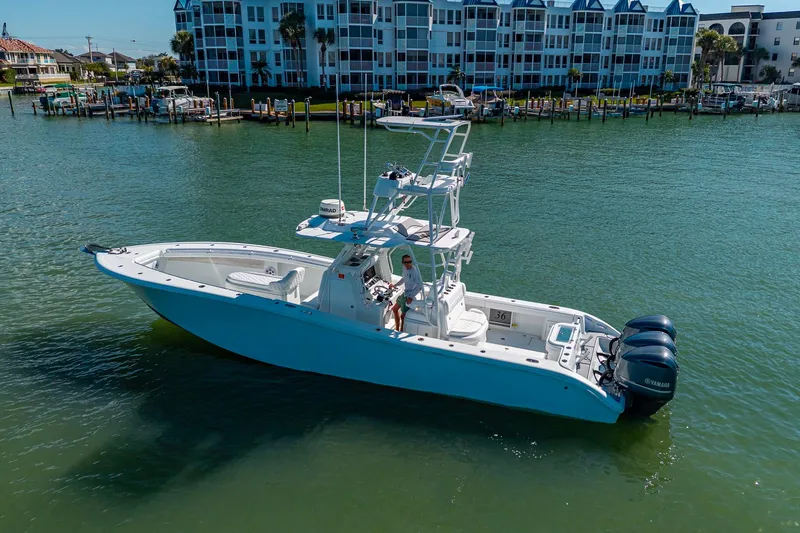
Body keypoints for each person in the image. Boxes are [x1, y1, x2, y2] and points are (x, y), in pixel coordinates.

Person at [390, 254, 423, 332]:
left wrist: (411, 297)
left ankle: (401, 332)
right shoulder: (404, 268)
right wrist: (395, 285)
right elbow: (404, 278)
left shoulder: (414, 271)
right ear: (403, 263)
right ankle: (397, 329)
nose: (408, 264)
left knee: (403, 316)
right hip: (405, 293)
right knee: (394, 309)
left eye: (410, 262)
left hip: (409, 296)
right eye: (406, 262)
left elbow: (420, 285)